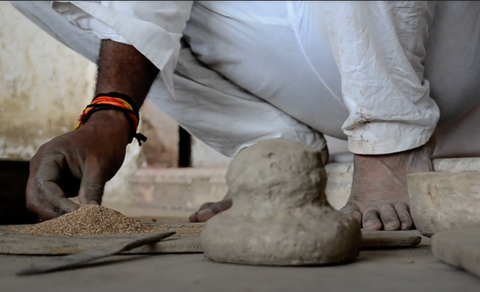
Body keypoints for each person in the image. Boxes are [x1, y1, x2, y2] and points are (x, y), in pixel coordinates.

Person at [10, 1, 480, 230]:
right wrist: (110, 112)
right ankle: (275, 153)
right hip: (302, 48)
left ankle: (391, 143)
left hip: (437, 43)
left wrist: (388, 124)